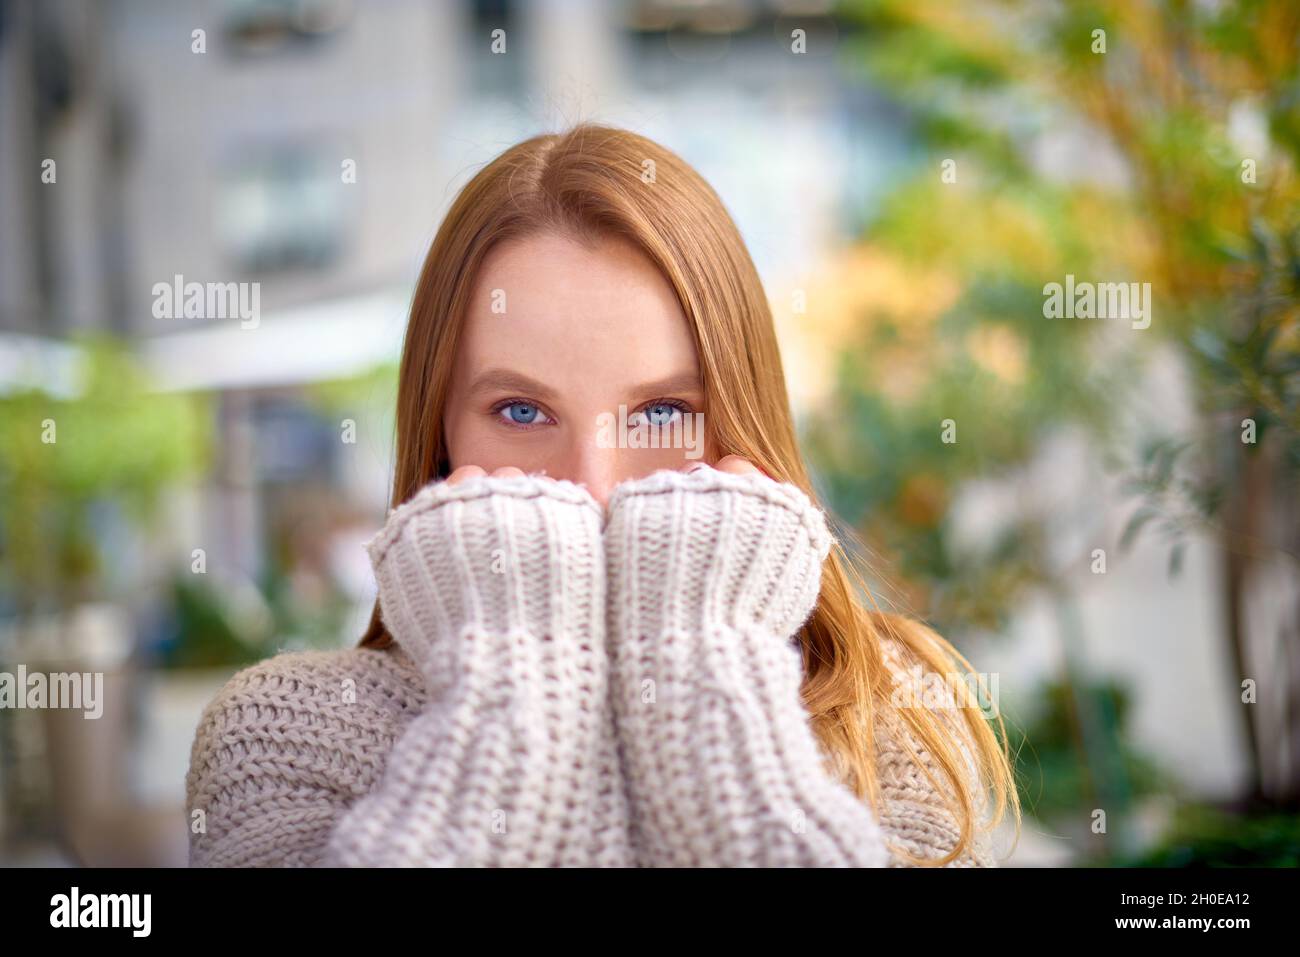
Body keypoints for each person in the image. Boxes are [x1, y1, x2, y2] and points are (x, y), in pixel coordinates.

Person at [186, 122, 1020, 867]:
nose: (593, 485)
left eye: (661, 412)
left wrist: (703, 666)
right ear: (438, 433)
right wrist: (518, 684)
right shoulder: (285, 733)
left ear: (741, 421)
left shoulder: (888, 710)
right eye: (520, 410)